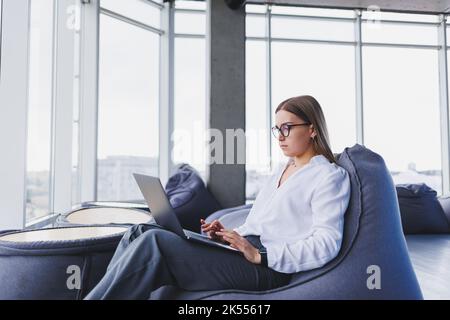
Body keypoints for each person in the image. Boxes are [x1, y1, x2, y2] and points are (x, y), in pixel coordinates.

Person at [85, 95, 351, 300]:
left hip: (267, 267)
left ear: (312, 129)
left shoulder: (329, 177)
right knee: (140, 231)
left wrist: (262, 254)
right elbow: (262, 224)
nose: (280, 137)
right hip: (242, 251)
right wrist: (228, 235)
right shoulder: (282, 170)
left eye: (287, 128)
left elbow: (327, 243)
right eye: (276, 129)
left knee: (156, 242)